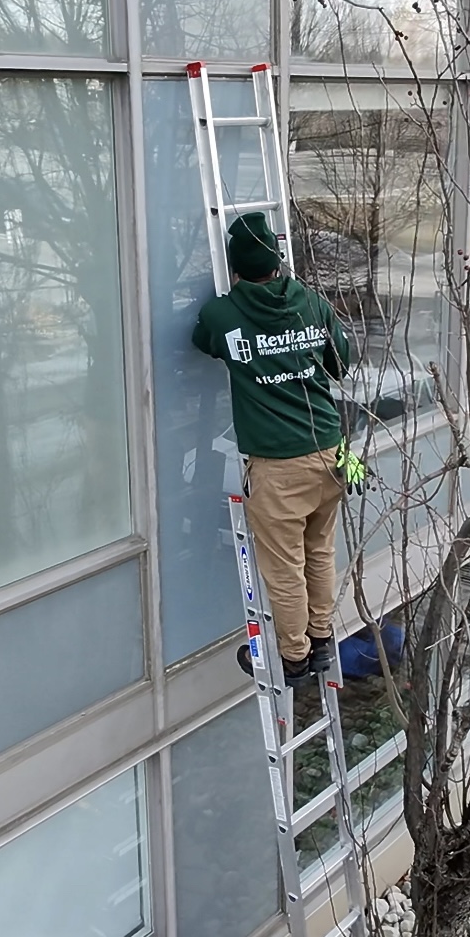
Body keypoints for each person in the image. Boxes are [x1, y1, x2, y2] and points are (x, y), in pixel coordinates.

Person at [191, 212, 364, 687]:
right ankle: (322, 637)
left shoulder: (223, 314)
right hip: (329, 454)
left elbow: (203, 342)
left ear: (235, 268)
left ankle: (294, 657)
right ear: (278, 261)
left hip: (278, 467)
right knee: (320, 551)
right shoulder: (310, 302)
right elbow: (341, 361)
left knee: (284, 568)